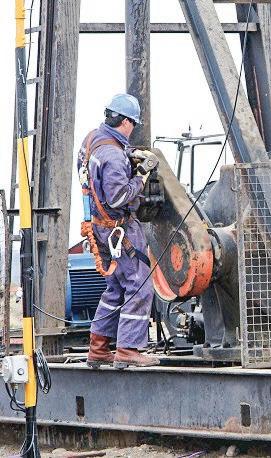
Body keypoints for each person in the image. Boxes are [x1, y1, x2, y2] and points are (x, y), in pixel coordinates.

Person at [79, 93, 160, 369]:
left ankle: (98, 348)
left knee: (115, 287)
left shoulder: (92, 140)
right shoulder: (113, 156)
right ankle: (128, 349)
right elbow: (117, 197)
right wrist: (140, 178)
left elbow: (96, 175)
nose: (132, 129)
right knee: (140, 284)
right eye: (133, 124)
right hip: (119, 229)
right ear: (125, 121)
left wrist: (131, 155)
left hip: (99, 227)